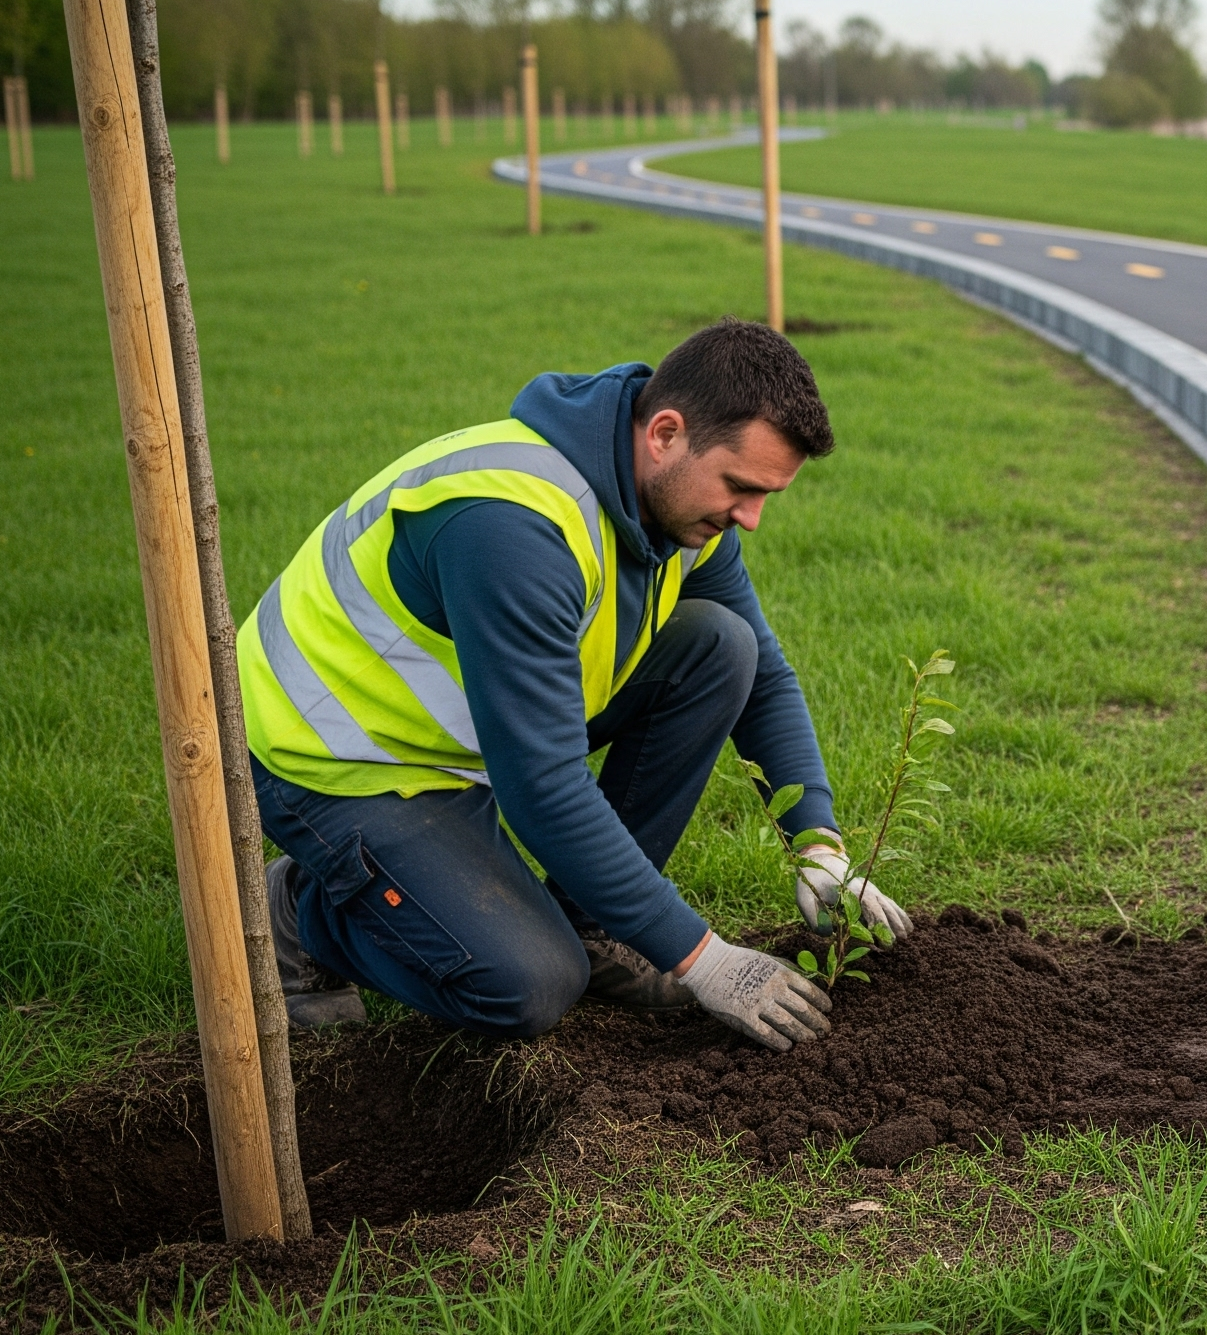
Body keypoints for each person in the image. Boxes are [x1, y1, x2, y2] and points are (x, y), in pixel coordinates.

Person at [239, 318, 909, 1052]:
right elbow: (542, 785)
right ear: (665, 434)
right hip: (336, 755)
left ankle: (592, 928)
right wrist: (704, 959)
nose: (750, 518)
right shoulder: (511, 526)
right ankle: (302, 913)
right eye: (741, 487)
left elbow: (764, 680)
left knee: (721, 646)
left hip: (469, 727)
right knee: (528, 986)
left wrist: (818, 846)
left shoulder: (678, 511)